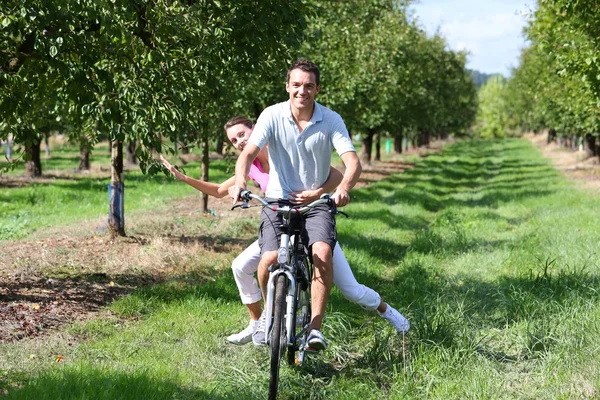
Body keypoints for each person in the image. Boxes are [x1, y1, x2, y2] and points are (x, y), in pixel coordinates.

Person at [162, 115, 410, 347]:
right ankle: (258, 322)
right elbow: (219, 190)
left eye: (242, 134)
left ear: (255, 129)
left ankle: (386, 311)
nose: (239, 142)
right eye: (233, 140)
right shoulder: (252, 165)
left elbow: (336, 175)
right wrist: (184, 178)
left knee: (351, 290)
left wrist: (315, 193)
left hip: (312, 218)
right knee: (240, 266)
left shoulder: (284, 149)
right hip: (281, 224)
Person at [229, 59, 408, 351]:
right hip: (278, 201)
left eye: (308, 85)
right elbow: (248, 153)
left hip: (316, 206)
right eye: (296, 85)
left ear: (317, 89)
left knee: (327, 258)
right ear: (287, 86)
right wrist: (240, 182)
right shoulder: (271, 115)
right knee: (268, 257)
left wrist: (343, 188)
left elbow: (352, 163)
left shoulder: (331, 119)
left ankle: (316, 328)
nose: (302, 91)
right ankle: (266, 320)